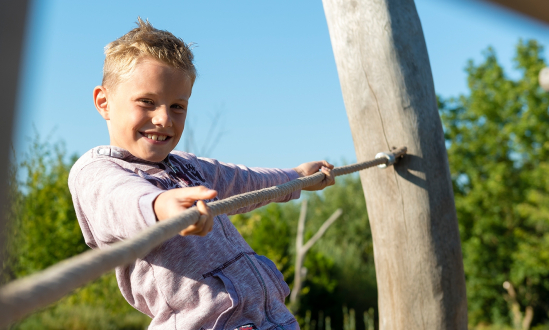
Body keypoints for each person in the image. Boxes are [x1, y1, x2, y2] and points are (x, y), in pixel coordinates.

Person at [68, 18, 335, 330]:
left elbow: (245, 180)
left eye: (178, 107)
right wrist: (162, 207)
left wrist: (296, 176)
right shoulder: (96, 170)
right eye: (147, 102)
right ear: (104, 102)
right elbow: (122, 200)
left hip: (271, 319)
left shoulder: (186, 165)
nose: (164, 119)